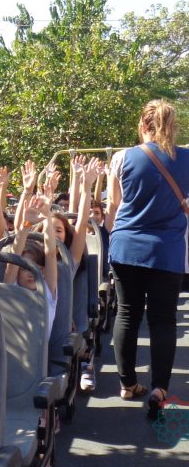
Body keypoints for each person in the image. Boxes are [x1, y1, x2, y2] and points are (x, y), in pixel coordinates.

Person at [106, 99, 189, 419]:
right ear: (173, 127)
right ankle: (159, 388)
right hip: (167, 250)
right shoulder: (186, 159)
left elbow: (114, 206)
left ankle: (127, 384)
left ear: (142, 126)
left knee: (127, 314)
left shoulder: (122, 157)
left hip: (126, 246)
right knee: (163, 320)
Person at [4, 194, 58, 336]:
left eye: (37, 268)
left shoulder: (47, 291)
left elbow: (51, 253)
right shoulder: (11, 289)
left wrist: (47, 216)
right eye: (25, 268)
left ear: (44, 271)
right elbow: (14, 258)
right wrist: (26, 226)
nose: (32, 273)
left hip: (39, 350)